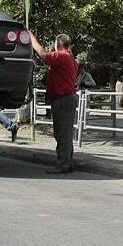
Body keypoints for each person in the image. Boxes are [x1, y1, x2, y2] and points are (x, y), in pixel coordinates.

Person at [30, 31, 79, 173]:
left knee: (62, 133)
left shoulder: (62, 56)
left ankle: (63, 164)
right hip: (67, 98)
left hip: (62, 99)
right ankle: (67, 162)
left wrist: (32, 38)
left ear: (58, 43)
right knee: (65, 133)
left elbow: (44, 55)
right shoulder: (71, 58)